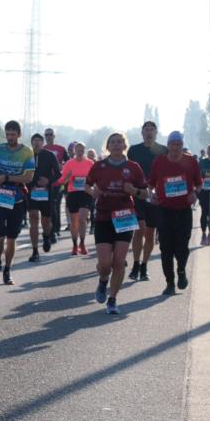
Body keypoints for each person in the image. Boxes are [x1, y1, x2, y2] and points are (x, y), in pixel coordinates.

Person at [85, 133, 148, 315]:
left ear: (124, 145)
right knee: (105, 264)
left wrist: (134, 190)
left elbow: (145, 193)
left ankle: (112, 300)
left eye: (119, 142)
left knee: (119, 262)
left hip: (125, 216)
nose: (116, 145)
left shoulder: (133, 167)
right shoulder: (99, 166)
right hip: (103, 216)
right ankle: (103, 281)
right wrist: (93, 192)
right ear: (108, 146)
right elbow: (86, 185)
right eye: (112, 142)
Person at [149, 131, 201, 295]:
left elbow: (199, 184)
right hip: (164, 210)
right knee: (166, 249)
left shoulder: (191, 161)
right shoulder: (159, 161)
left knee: (182, 247)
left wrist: (195, 193)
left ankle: (181, 270)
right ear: (168, 145)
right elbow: (151, 184)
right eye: (172, 144)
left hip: (183, 211)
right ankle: (170, 283)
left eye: (178, 144)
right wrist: (151, 194)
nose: (175, 148)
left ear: (182, 145)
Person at [0, 121, 35, 284]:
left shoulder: (27, 152)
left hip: (17, 199)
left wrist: (7, 177)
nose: (10, 138)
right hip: (0, 198)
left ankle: (7, 270)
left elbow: (28, 177)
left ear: (19, 134)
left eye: (13, 134)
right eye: (7, 134)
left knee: (12, 238)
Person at [127, 121, 167, 281]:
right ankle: (136, 264)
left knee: (150, 233)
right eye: (146, 130)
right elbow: (127, 170)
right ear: (142, 132)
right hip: (137, 195)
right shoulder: (133, 150)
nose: (149, 132)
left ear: (156, 133)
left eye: (152, 130)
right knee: (139, 229)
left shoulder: (163, 151)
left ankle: (144, 266)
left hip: (155, 196)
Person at [58, 142, 95, 255]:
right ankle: (75, 245)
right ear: (74, 151)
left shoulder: (90, 163)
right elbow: (62, 181)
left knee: (82, 218)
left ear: (84, 151)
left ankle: (82, 243)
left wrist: (91, 186)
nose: (80, 152)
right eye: (78, 150)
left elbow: (95, 179)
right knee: (74, 221)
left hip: (85, 193)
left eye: (82, 150)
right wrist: (68, 177)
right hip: (73, 194)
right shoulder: (69, 163)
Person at [28, 132, 60, 261]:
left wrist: (48, 180)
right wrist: (29, 184)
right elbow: (21, 171)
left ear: (42, 143)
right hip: (32, 192)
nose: (36, 143)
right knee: (33, 217)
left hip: (46, 192)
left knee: (46, 221)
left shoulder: (49, 155)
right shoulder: (27, 155)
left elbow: (58, 174)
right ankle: (35, 251)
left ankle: (47, 236)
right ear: (31, 143)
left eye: (39, 141)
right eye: (34, 141)